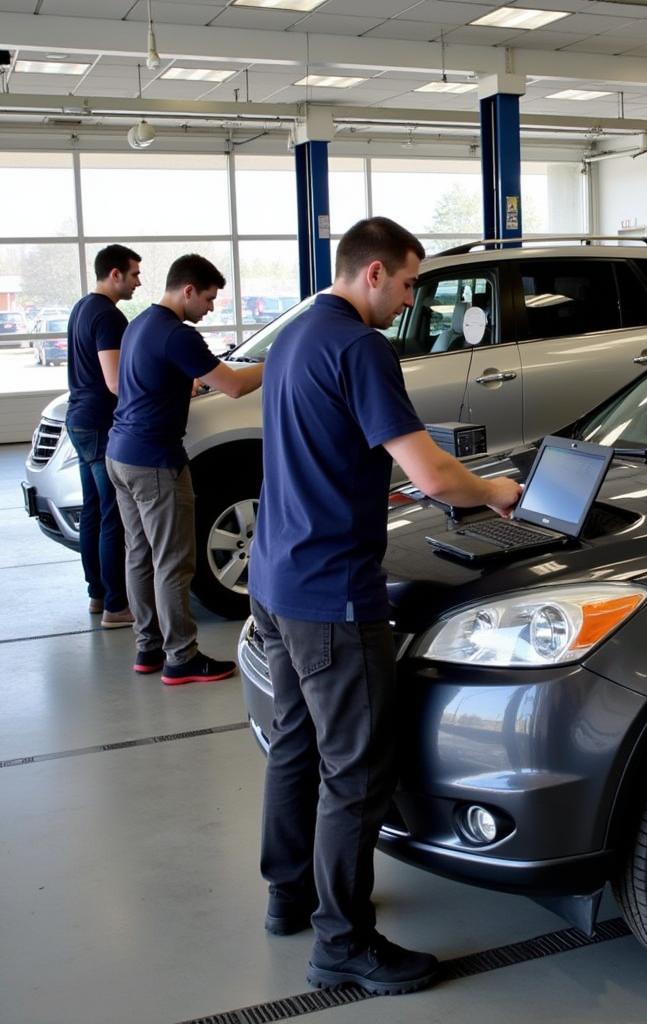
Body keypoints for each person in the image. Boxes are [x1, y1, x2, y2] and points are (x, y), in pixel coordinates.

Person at [248, 217, 521, 997]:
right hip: (332, 593)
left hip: (276, 580)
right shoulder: (363, 347)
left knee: (296, 746)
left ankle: (289, 895)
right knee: (358, 772)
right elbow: (435, 477)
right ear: (372, 273)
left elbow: (324, 444)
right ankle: (343, 943)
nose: (409, 299)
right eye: (406, 283)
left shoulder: (300, 332)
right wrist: (499, 491)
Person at [106, 254, 264, 685]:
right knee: (174, 562)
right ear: (188, 290)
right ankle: (182, 657)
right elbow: (233, 385)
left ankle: (149, 648)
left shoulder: (140, 324)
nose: (210, 308)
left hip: (120, 454)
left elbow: (148, 376)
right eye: (209, 299)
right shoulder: (179, 335)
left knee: (140, 556)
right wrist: (281, 360)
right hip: (155, 461)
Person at [65, 244, 141, 628]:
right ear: (115, 274)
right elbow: (115, 381)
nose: (138, 283)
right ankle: (117, 606)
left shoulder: (81, 308)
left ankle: (97, 594)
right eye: (133, 275)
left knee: (94, 512)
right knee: (113, 515)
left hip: (78, 420)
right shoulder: (109, 317)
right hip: (99, 423)